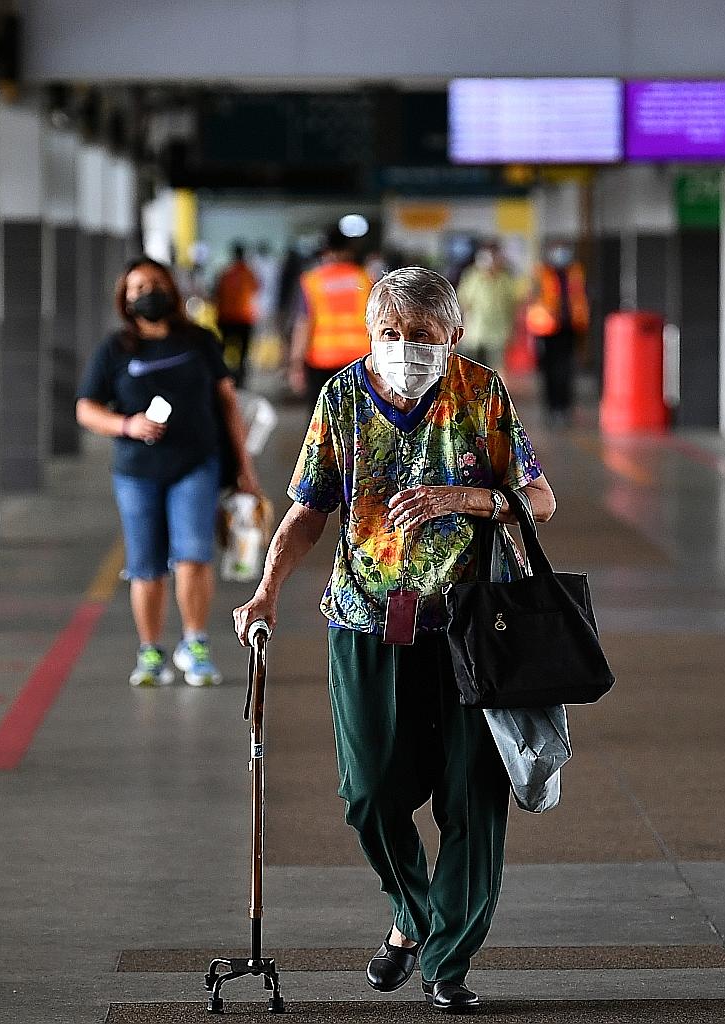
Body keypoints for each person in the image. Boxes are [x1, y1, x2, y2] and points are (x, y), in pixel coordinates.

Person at [234, 267, 557, 1014]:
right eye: (389, 334)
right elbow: (309, 511)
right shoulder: (343, 398)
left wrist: (472, 499)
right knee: (370, 793)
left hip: (473, 628)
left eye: (420, 335)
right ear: (369, 334)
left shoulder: (481, 394)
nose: (403, 347)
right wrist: (267, 592)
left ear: (453, 334)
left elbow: (540, 498)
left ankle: (447, 961)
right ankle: (412, 913)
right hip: (366, 621)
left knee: (473, 798)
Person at [77, 258, 262, 688]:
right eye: (138, 287)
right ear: (124, 298)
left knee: (194, 555)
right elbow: (86, 408)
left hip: (196, 464)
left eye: (155, 284)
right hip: (137, 471)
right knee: (145, 565)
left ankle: (195, 645)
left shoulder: (199, 341)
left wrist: (245, 468)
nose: (147, 292)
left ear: (172, 290)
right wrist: (127, 425)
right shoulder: (115, 349)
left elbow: (228, 403)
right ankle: (150, 651)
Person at [288, 226, 374, 405]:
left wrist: (296, 365)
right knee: (359, 420)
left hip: (322, 360)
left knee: (322, 421)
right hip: (360, 360)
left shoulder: (312, 281)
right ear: (349, 251)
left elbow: (303, 323)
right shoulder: (365, 278)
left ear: (325, 251)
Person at [526, 244, 589, 427]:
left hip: (569, 328)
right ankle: (552, 408)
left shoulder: (575, 272)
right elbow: (531, 297)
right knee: (549, 373)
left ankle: (565, 408)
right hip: (546, 329)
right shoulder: (540, 273)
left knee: (566, 371)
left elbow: (580, 297)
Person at [455, 242, 521, 370]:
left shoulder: (506, 279)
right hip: (475, 336)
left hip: (498, 336)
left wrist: (514, 332)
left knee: (495, 372)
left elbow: (514, 305)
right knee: (472, 372)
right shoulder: (472, 276)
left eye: (493, 257)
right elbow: (463, 302)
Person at [213, 241, 261, 388]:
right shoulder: (249, 274)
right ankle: (241, 378)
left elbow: (217, 293)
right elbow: (256, 289)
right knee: (244, 352)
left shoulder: (225, 274)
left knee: (224, 349)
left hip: (226, 317)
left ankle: (225, 376)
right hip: (244, 318)